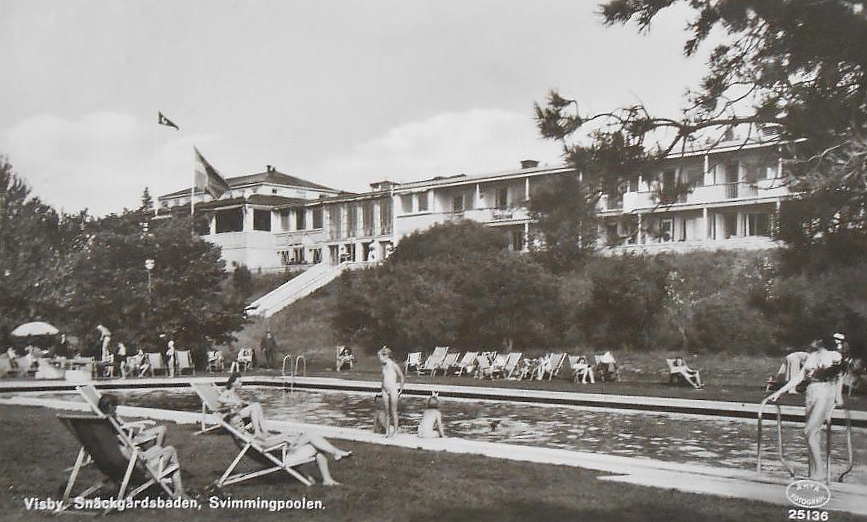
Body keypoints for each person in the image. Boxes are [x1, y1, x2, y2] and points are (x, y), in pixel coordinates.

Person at [767, 339, 846, 480]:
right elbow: (799, 377)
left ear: (822, 340)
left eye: (815, 339)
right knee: (814, 435)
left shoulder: (834, 355)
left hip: (825, 393)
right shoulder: (812, 356)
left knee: (809, 431)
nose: (812, 342)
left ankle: (820, 472)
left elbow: (839, 376)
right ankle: (813, 472)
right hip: (811, 393)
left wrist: (838, 396)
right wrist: (779, 392)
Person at [97, 394, 183, 495]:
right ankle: (179, 491)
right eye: (115, 406)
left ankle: (178, 491)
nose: (116, 409)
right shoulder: (122, 447)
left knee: (158, 448)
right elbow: (138, 459)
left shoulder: (109, 446)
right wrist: (141, 455)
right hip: (142, 473)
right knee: (170, 449)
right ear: (110, 406)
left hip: (122, 470)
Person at [218, 372, 269, 436]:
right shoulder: (227, 392)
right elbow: (220, 399)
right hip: (231, 417)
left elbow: (238, 404)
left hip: (237, 414)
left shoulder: (235, 394)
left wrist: (244, 403)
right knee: (255, 406)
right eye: (239, 382)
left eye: (241, 382)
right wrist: (234, 402)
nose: (241, 383)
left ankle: (264, 430)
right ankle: (257, 432)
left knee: (257, 405)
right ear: (232, 383)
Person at [378, 346, 405, 438]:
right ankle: (387, 432)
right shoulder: (383, 365)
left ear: (386, 356)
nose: (380, 359)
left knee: (393, 411)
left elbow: (401, 377)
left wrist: (400, 389)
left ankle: (396, 432)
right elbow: (384, 377)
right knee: (387, 411)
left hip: (393, 389)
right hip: (384, 389)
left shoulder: (393, 365)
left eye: (381, 356)